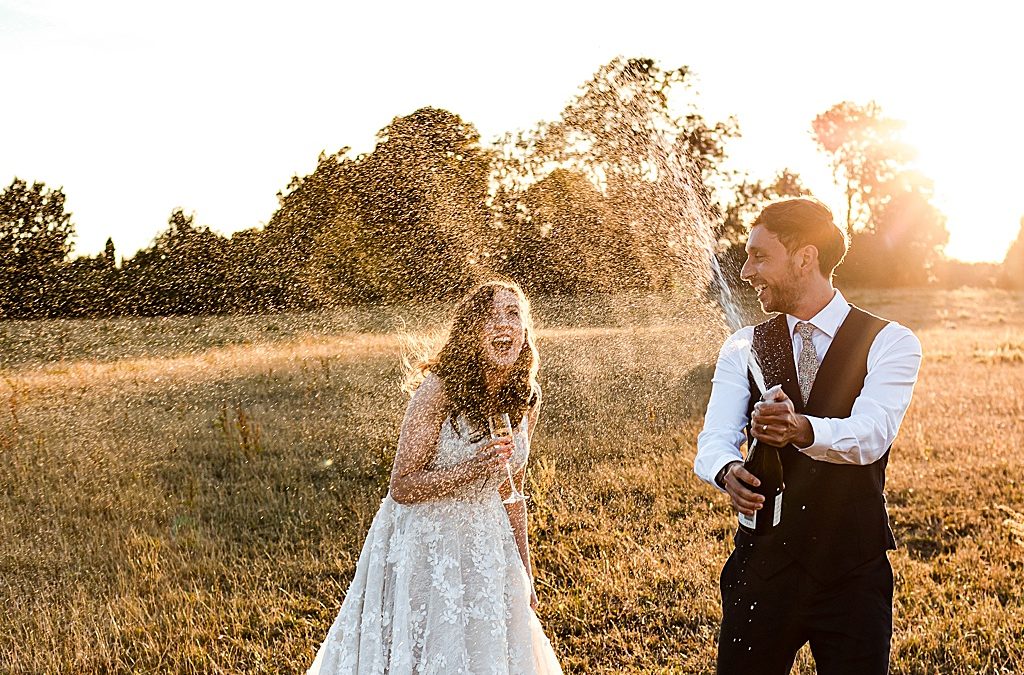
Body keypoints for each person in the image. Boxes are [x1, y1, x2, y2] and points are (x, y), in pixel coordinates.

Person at [695, 198, 922, 674]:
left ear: (805, 257)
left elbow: (871, 435)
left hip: (852, 574)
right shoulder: (742, 346)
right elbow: (714, 438)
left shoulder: (891, 341)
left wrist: (800, 428)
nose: (745, 271)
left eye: (760, 256)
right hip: (762, 568)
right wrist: (726, 470)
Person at [308, 280, 562, 675]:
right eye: (491, 316)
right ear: (472, 332)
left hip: (486, 545)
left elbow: (514, 493)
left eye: (514, 315)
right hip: (427, 546)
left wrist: (525, 572)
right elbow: (402, 485)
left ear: (526, 331)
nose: (504, 324)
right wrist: (472, 468)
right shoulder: (439, 389)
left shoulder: (527, 397)